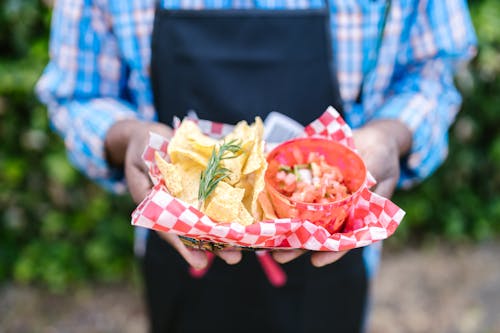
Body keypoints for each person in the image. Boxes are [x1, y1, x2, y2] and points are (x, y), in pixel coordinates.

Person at [36, 0, 476, 332]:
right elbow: (79, 92)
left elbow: (431, 71)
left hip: (333, 255)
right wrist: (128, 137)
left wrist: (390, 135)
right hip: (181, 251)